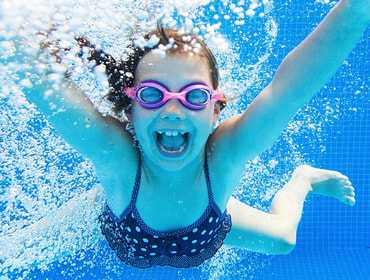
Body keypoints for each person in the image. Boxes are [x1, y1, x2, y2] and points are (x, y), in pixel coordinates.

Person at [2, 0, 368, 270]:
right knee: (16, 252)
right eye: (152, 95)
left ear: (215, 111)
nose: (173, 110)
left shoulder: (224, 157)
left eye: (193, 96)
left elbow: (290, 90)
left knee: (285, 240)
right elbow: (42, 90)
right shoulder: (118, 159)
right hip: (116, 217)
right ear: (130, 109)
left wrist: (357, 10)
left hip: (206, 223)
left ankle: (303, 178)